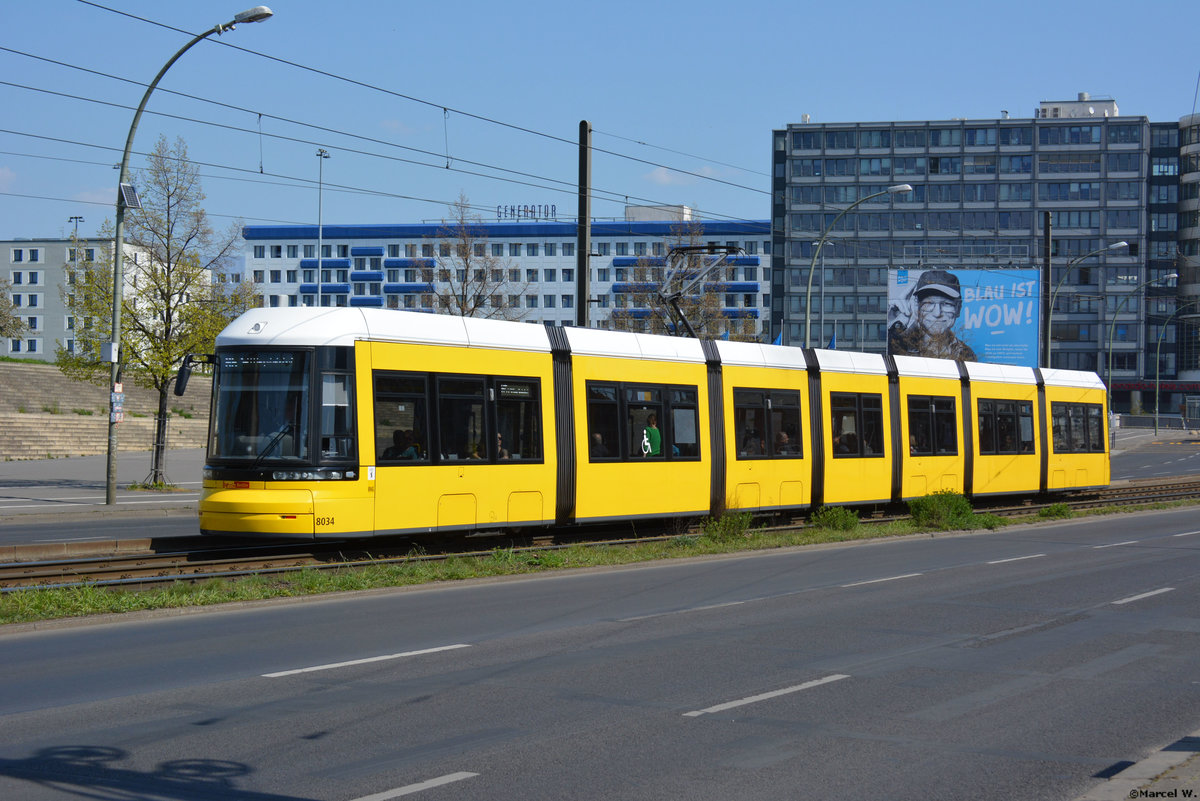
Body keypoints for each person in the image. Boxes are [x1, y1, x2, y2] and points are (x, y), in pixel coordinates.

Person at [888, 269, 977, 362]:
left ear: (958, 308)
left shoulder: (966, 353)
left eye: (946, 304)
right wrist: (895, 327)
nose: (937, 313)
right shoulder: (896, 344)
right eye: (929, 303)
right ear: (916, 306)